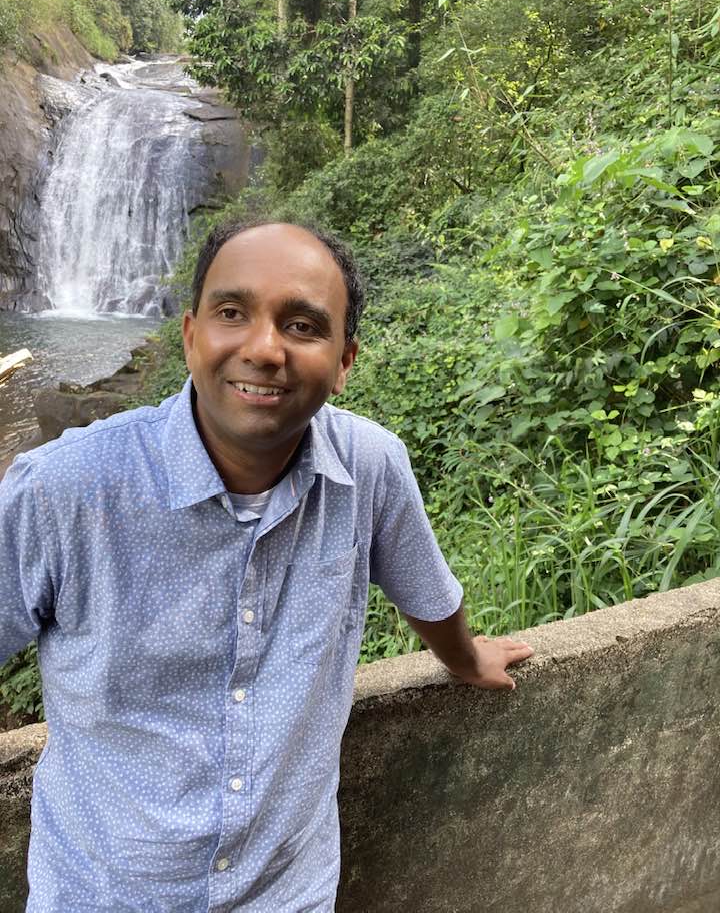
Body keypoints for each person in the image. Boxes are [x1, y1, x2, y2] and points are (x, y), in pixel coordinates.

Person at [0, 220, 533, 912]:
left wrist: (463, 659)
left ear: (345, 360)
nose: (263, 349)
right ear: (190, 335)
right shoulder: (61, 491)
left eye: (303, 325)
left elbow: (424, 588)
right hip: (102, 895)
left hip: (286, 894)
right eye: (232, 313)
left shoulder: (369, 468)